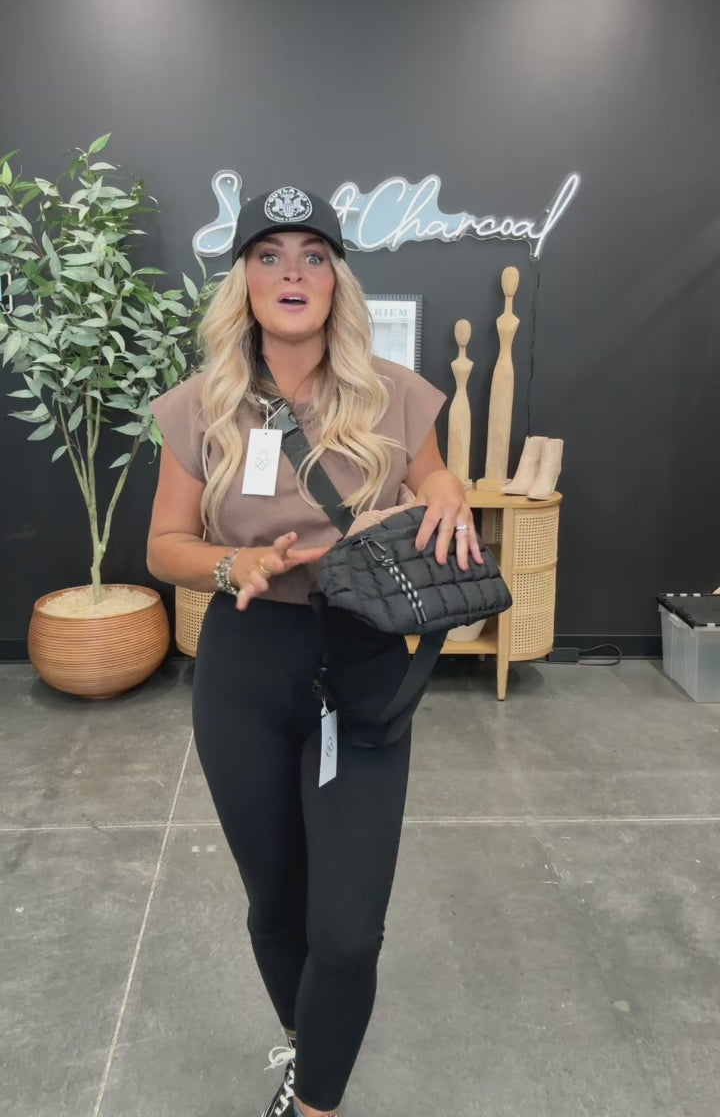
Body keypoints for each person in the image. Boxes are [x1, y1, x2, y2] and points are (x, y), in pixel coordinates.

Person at [146, 185, 483, 1117]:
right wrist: (234, 563)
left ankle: (313, 1093)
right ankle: (313, 1058)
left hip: (363, 662)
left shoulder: (395, 393)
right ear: (244, 281)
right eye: (269, 255)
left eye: (313, 256)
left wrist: (447, 491)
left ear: (337, 280)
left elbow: (432, 480)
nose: (292, 272)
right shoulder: (199, 406)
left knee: (347, 933)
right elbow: (164, 547)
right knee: (276, 904)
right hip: (246, 665)